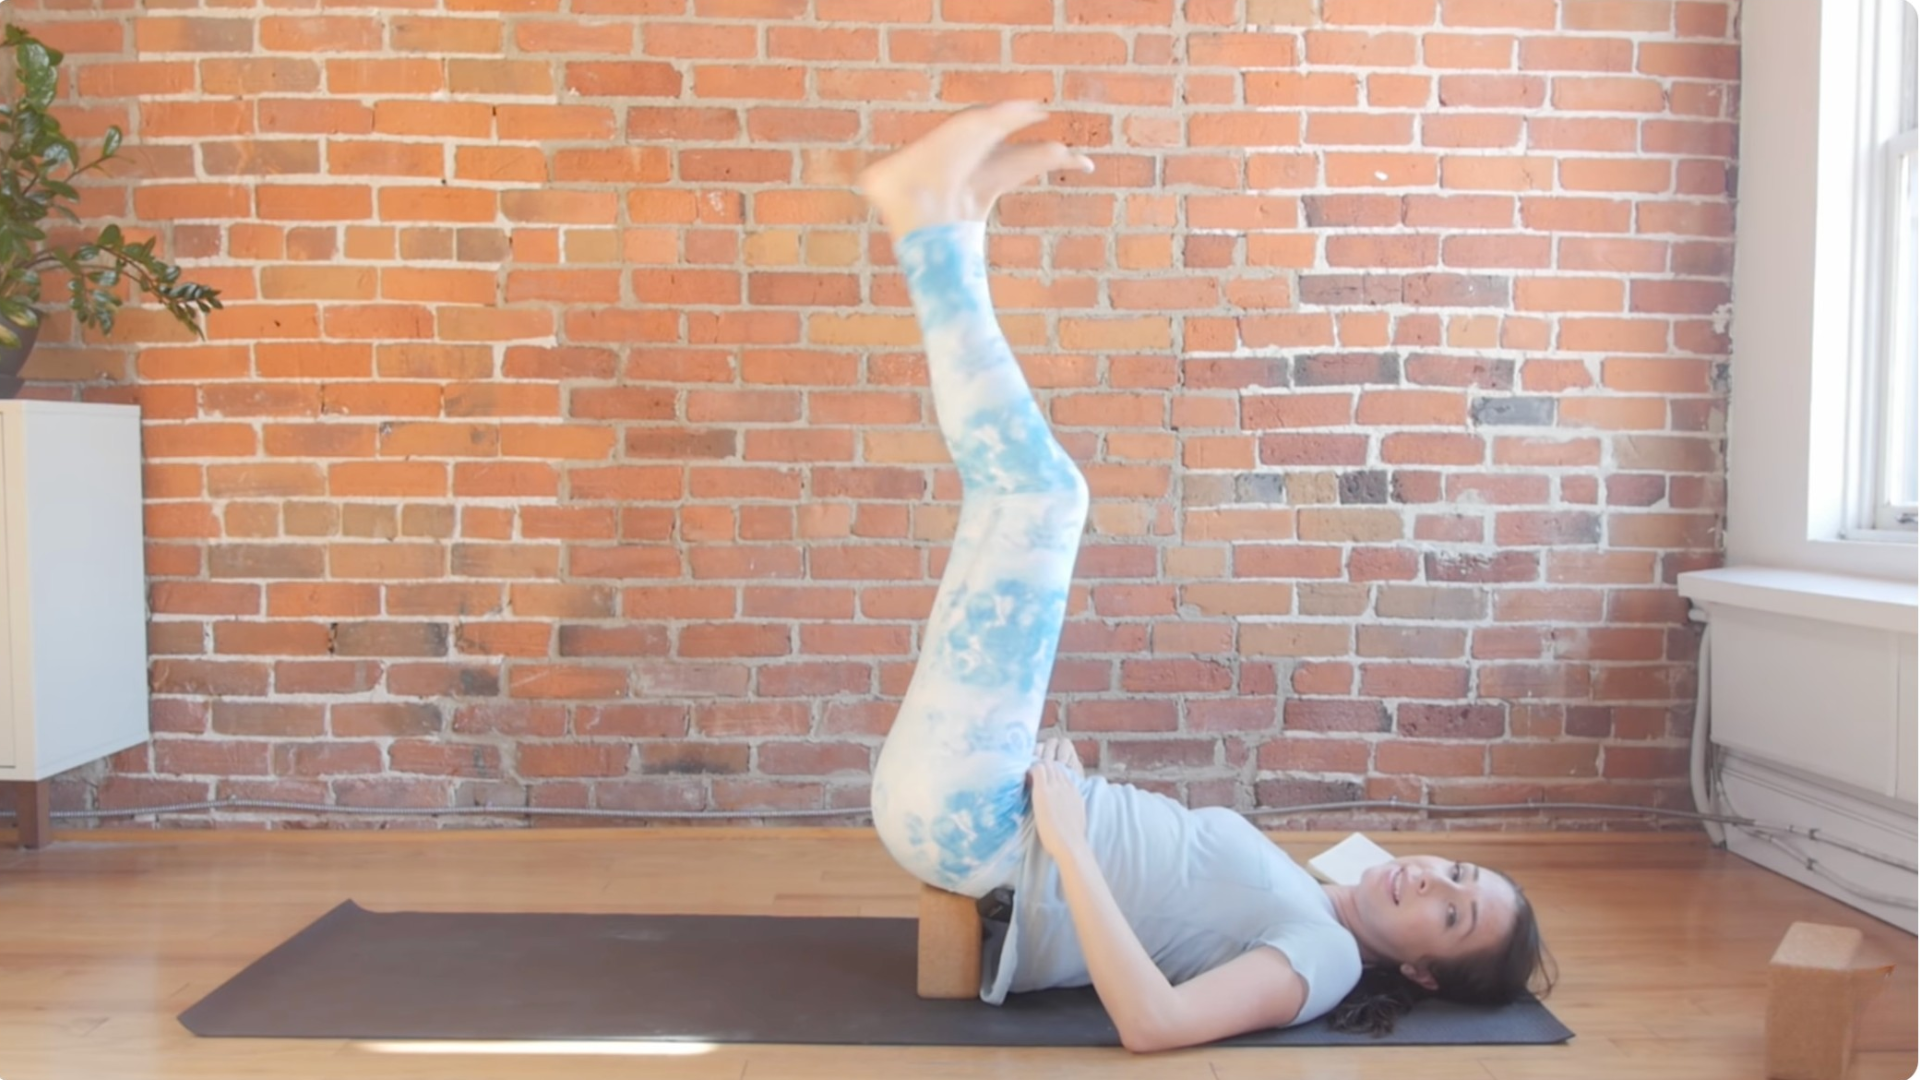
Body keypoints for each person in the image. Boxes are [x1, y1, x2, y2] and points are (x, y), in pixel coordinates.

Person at [858, 101, 1554, 1054]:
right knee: (1013, 501)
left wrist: (1066, 838)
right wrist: (1066, 809)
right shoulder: (1331, 881)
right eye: (1457, 872)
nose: (1431, 883)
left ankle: (931, 226)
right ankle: (953, 225)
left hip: (979, 827)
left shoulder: (1329, 954)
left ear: (1424, 970)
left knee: (1043, 498)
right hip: (994, 801)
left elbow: (1158, 1025)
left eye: (1451, 916)